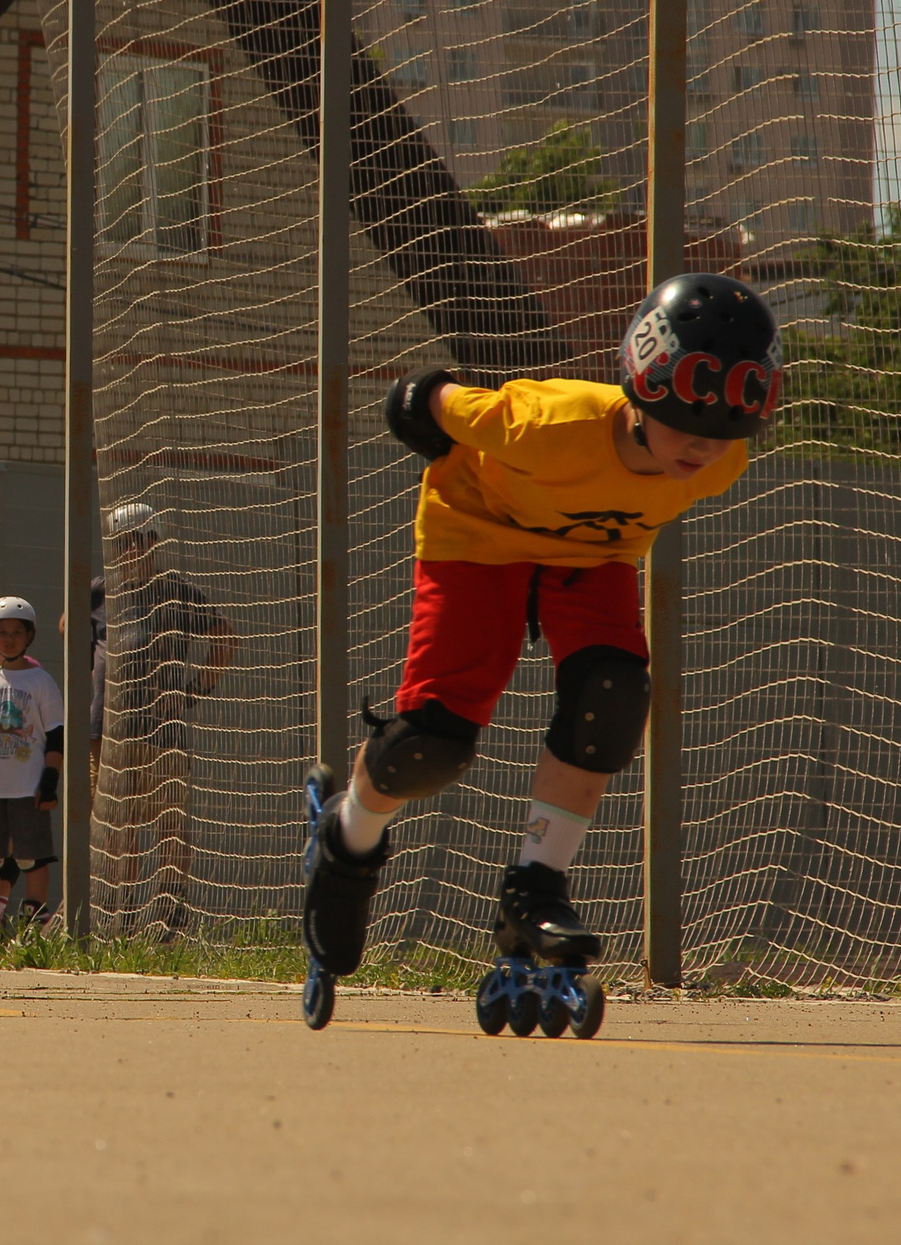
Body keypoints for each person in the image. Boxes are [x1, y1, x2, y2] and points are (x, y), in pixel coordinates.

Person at [303, 274, 779, 1034]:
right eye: (686, 421)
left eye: (722, 430)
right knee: (430, 744)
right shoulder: (543, 423)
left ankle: (537, 885)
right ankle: (347, 835)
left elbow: (669, 474)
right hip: (477, 536)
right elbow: (424, 398)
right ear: (641, 386)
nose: (701, 447)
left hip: (593, 556)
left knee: (615, 696)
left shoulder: (721, 460)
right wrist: (419, 408)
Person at [89, 503, 238, 931]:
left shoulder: (174, 591)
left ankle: (171, 913)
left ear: (153, 543)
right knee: (120, 825)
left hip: (160, 731)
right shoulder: (101, 593)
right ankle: (123, 915)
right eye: (120, 543)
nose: (128, 550)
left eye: (136, 540)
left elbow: (225, 637)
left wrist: (190, 694)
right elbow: (68, 626)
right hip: (110, 730)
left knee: (169, 822)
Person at [0, 597, 64, 945]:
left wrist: (50, 781)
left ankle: (35, 921)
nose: (10, 638)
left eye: (17, 632)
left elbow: (56, 736)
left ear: (29, 636)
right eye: (2, 632)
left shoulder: (41, 680)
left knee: (31, 855)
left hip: (26, 784)